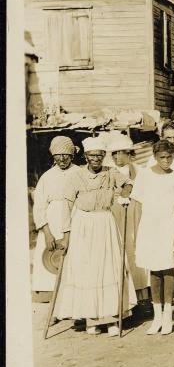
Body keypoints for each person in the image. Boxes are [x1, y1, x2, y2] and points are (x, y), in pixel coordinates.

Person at [53, 137, 137, 336]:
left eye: (100, 155)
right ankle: (91, 320)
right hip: (83, 225)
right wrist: (65, 234)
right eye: (92, 156)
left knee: (109, 268)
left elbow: (128, 184)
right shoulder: (76, 176)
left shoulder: (111, 173)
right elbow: (66, 206)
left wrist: (125, 194)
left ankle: (111, 319)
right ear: (86, 156)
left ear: (103, 156)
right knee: (88, 270)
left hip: (105, 222)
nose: (96, 159)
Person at [130, 140, 174, 335]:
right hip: (149, 228)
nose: (166, 160)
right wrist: (136, 234)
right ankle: (157, 316)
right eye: (162, 157)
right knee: (154, 270)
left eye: (170, 157)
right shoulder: (144, 175)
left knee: (168, 269)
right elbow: (136, 206)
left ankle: (168, 315)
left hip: (167, 227)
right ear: (155, 156)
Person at [32, 136, 79, 294]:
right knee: (52, 261)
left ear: (72, 155)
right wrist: (47, 233)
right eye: (58, 155)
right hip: (52, 225)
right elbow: (39, 207)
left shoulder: (80, 173)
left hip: (76, 221)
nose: (62, 158)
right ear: (53, 157)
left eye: (66, 155)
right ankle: (54, 303)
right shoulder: (47, 177)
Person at [107, 135, 147, 302]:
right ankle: (124, 299)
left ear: (129, 153)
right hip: (117, 213)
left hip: (136, 213)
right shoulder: (108, 172)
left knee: (137, 251)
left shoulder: (140, 171)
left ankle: (142, 296)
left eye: (121, 153)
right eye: (114, 154)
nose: (117, 157)